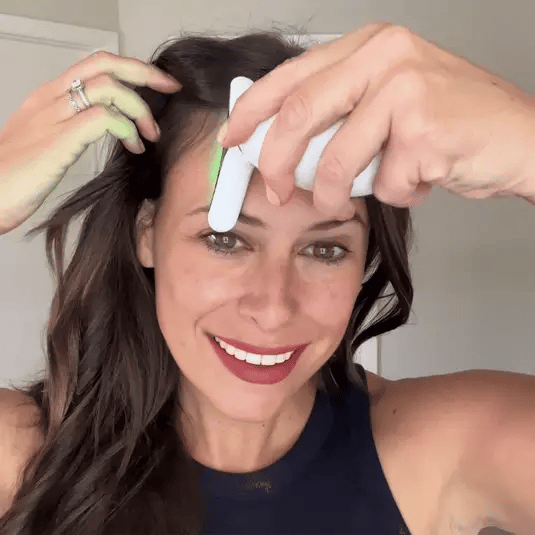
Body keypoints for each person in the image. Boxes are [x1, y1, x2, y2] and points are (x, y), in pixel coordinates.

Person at [0, 22, 533, 535]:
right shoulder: (25, 455)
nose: (274, 307)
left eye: (325, 249)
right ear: (147, 232)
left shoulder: (441, 449)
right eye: (224, 240)